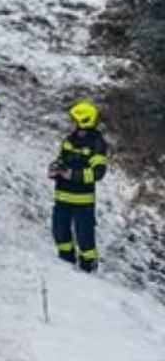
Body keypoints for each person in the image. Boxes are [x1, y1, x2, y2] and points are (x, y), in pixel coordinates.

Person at [49, 100, 108, 272]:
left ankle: (89, 268)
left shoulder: (97, 144)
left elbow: (98, 172)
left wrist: (72, 175)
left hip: (83, 202)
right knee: (60, 233)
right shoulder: (68, 141)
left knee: (85, 238)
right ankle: (66, 265)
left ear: (83, 122)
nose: (69, 124)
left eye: (73, 121)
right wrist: (55, 169)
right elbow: (61, 160)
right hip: (62, 198)